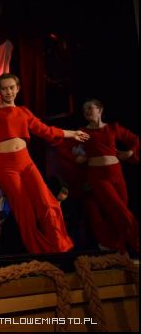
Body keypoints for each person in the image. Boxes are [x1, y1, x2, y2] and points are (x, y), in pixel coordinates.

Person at [0, 73, 89, 254]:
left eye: (11, 87)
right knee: (24, 211)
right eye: (4, 88)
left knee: (47, 202)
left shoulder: (24, 112)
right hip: (5, 166)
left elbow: (45, 130)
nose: (8, 92)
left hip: (25, 161)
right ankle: (38, 251)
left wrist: (71, 133)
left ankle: (59, 247)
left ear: (17, 88)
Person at [75, 99, 139, 254]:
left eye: (90, 108)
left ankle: (118, 250)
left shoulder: (112, 128)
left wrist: (129, 153)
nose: (87, 111)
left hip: (117, 174)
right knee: (121, 211)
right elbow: (74, 151)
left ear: (100, 110)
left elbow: (135, 140)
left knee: (117, 214)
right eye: (84, 110)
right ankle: (136, 243)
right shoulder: (83, 132)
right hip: (98, 177)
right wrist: (79, 156)